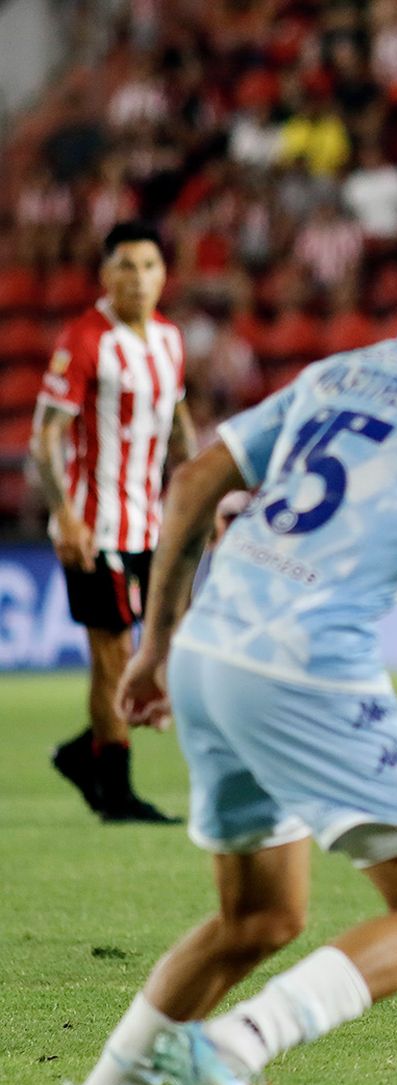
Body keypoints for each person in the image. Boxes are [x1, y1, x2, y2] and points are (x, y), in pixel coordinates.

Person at [58, 213, 397, 1085]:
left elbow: (192, 480)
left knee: (258, 918)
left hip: (213, 648)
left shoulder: (347, 367)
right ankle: (234, 1044)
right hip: (307, 666)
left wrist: (159, 646)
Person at [30, 220, 197, 824]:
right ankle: (118, 795)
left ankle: (84, 755)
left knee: (152, 652)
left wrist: (203, 491)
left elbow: (178, 424)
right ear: (106, 275)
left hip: (149, 525)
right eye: (126, 266)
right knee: (113, 655)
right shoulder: (84, 339)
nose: (139, 278)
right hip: (94, 528)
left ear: (163, 275)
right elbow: (44, 437)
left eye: (150, 266)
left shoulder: (171, 342)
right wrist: (65, 515)